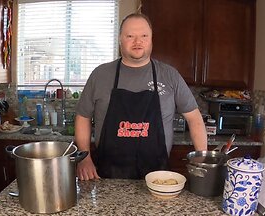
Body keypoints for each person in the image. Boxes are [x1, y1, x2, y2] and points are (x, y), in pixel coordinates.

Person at [74, 13, 207, 180]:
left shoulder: (169, 75)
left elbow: (194, 118)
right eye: (130, 36)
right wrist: (84, 158)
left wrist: (202, 160)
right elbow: (83, 116)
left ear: (151, 39)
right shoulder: (100, 75)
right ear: (120, 39)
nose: (138, 41)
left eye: (144, 36)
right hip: (107, 179)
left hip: (158, 179)